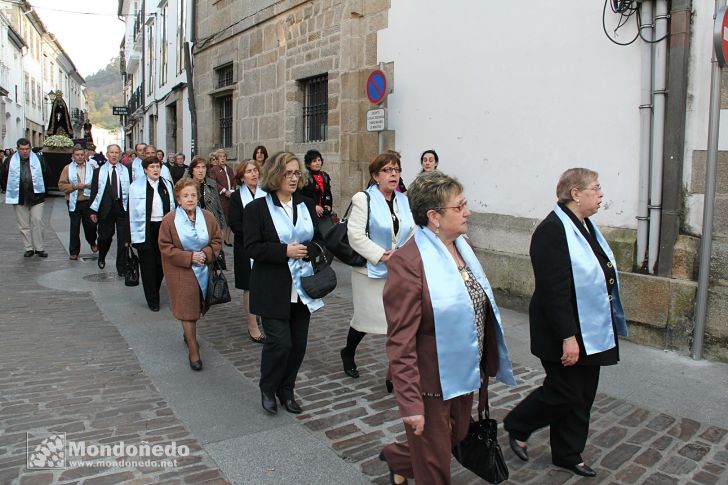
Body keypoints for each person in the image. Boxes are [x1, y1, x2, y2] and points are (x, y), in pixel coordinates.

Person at [379, 171, 515, 485]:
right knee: (436, 467)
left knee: (456, 436)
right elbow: (400, 342)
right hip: (430, 382)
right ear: (434, 217)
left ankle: (399, 458)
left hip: (465, 371)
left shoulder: (463, 247)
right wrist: (411, 404)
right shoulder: (408, 263)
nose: (467, 211)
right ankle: (411, 458)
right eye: (460, 206)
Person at [503, 168, 628, 478]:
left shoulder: (584, 226)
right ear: (576, 194)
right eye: (596, 189)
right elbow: (553, 289)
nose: (601, 194)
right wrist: (567, 337)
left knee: (583, 395)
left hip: (592, 328)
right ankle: (518, 423)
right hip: (562, 330)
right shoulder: (552, 230)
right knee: (565, 392)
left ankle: (567, 452)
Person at [244, 151, 324, 415]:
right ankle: (268, 387)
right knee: (280, 343)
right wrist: (283, 252)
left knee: (298, 345)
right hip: (272, 286)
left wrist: (310, 249)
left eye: (296, 173)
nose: (293, 178)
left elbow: (319, 239)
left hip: (303, 288)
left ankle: (286, 389)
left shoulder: (306, 203)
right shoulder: (257, 208)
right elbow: (252, 247)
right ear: (275, 175)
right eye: (287, 173)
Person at [340, 152, 415, 378]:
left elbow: (413, 231)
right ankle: (348, 352)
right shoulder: (364, 199)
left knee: (399, 323)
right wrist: (382, 255)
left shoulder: (404, 200)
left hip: (399, 270)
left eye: (397, 170)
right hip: (370, 272)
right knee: (366, 320)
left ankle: (395, 372)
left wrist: (402, 254)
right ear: (375, 175)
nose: (393, 174)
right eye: (387, 170)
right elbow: (355, 235)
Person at [158, 178, 223, 371]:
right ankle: (193, 348)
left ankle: (188, 334)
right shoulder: (169, 220)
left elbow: (217, 240)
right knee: (188, 310)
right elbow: (165, 246)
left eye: (193, 195)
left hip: (203, 267)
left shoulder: (208, 217)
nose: (190, 199)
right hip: (181, 270)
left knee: (198, 307)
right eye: (185, 196)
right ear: (178, 198)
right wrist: (188, 257)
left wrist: (206, 254)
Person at [129, 156, 176, 311]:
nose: (155, 170)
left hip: (163, 227)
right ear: (145, 170)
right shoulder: (136, 186)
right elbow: (130, 210)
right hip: (145, 228)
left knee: (161, 263)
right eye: (152, 167)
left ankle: (154, 290)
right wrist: (128, 236)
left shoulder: (167, 184)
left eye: (157, 166)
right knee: (148, 264)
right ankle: (152, 299)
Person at [228, 159, 266, 343]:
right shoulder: (236, 197)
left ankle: (265, 316)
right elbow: (234, 223)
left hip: (265, 246)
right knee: (249, 286)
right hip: (245, 247)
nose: (253, 174)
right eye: (249, 171)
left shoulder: (266, 194)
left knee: (265, 282)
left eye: (255, 170)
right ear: (242, 177)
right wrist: (254, 233)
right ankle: (252, 326)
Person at [90, 144, 133, 274]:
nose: (114, 155)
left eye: (116, 152)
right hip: (105, 209)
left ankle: (121, 266)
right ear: (107, 155)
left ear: (120, 155)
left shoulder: (126, 170)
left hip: (122, 208)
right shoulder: (99, 172)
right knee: (105, 237)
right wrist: (93, 211)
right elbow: (94, 191)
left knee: (123, 239)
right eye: (111, 152)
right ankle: (102, 255)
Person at [3, 138, 48, 258]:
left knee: (37, 221)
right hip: (19, 196)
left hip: (37, 196)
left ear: (30, 148)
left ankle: (39, 248)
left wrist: (44, 192)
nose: (25, 151)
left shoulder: (38, 159)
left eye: (27, 149)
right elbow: (4, 175)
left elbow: (46, 173)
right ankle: (28, 248)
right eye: (22, 149)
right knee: (23, 224)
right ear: (17, 149)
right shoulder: (10, 160)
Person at [58, 144, 98, 260]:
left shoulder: (92, 168)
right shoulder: (67, 168)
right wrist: (74, 186)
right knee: (74, 227)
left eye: (82, 155)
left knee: (90, 225)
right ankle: (74, 251)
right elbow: (61, 185)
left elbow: (98, 184)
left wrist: (89, 186)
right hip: (74, 201)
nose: (80, 157)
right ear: (73, 156)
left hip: (88, 201)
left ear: (85, 155)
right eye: (77, 155)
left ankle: (92, 241)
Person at [188, 156, 227, 232]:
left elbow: (218, 207)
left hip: (211, 224)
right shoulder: (186, 186)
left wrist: (222, 227)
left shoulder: (212, 184)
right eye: (197, 167)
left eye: (203, 167)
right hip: (193, 226)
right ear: (192, 170)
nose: (201, 170)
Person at [300, 149, 334, 235]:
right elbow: (300, 197)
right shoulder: (304, 178)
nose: (318, 163)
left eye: (319, 160)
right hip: (309, 214)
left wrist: (328, 205)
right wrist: (313, 206)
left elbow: (328, 193)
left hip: (323, 215)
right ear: (308, 164)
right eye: (314, 161)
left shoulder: (325, 176)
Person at [208, 149, 236, 245]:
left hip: (230, 197)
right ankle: (218, 238)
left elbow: (233, 181)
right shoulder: (214, 170)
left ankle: (227, 239)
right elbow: (213, 183)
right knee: (221, 219)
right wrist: (224, 191)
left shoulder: (229, 169)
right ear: (217, 159)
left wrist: (232, 190)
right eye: (220, 157)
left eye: (224, 156)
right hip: (220, 197)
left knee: (230, 219)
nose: (223, 158)